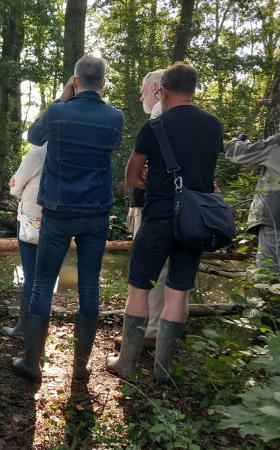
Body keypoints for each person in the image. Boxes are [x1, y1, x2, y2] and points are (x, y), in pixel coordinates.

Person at [12, 55, 125, 387]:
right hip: (96, 213)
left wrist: (62, 99)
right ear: (102, 84)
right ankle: (80, 367)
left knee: (43, 285)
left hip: (58, 213)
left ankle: (32, 362)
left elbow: (34, 136)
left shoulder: (59, 112)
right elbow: (112, 145)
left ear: (74, 81)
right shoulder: (114, 117)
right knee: (89, 286)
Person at [107, 62, 223, 384]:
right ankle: (162, 370)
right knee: (177, 291)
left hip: (158, 217)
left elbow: (132, 177)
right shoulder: (213, 126)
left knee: (140, 288)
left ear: (162, 90)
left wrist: (156, 183)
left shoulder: (154, 128)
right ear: (194, 89)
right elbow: (207, 178)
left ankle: (126, 363)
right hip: (193, 221)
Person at [116, 69, 167, 350]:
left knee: (149, 271)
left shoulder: (160, 117)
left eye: (143, 89)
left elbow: (138, 173)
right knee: (166, 271)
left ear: (158, 87)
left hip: (154, 206)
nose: (140, 95)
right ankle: (158, 328)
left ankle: (149, 331)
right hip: (157, 204)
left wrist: (138, 178)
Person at [2, 143, 47, 338]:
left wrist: (16, 182)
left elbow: (15, 187)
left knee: (31, 275)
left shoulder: (37, 154)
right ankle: (40, 328)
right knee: (46, 276)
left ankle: (24, 327)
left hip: (32, 220)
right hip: (58, 220)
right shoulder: (70, 152)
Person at [226, 134, 280, 278]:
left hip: (274, 217)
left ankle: (271, 299)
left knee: (269, 271)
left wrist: (236, 141)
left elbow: (236, 153)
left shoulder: (276, 143)